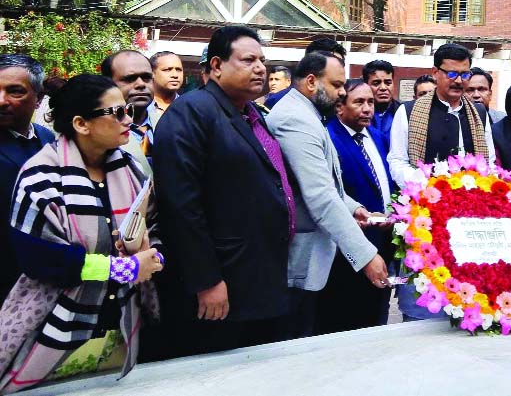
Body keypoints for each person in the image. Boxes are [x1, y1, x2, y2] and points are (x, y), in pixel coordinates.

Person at [0, 74, 163, 393]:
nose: (127, 119)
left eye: (128, 110)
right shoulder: (39, 178)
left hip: (119, 323)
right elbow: (42, 261)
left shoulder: (129, 168)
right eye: (117, 113)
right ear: (81, 123)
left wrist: (153, 255)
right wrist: (124, 268)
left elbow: (152, 223)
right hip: (50, 325)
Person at [153, 26, 294, 357]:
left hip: (258, 274)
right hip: (222, 282)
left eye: (262, 60)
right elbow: (181, 206)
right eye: (248, 60)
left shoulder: (251, 113)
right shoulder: (191, 112)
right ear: (216, 65)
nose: (260, 68)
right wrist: (206, 280)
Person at [267, 51, 389, 339]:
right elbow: (320, 196)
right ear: (311, 82)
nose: (342, 92)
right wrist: (366, 255)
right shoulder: (295, 120)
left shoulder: (308, 115)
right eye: (336, 85)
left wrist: (356, 208)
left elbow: (329, 186)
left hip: (314, 257)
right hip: (299, 260)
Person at [317, 79, 396, 334]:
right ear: (340, 107)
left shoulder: (378, 137)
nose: (367, 109)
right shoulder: (329, 139)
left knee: (377, 318)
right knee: (348, 322)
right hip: (346, 251)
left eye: (370, 102)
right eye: (359, 102)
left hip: (383, 242)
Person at [388, 43, 495, 188]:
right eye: (451, 74)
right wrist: (427, 186)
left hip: (472, 202)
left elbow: (490, 162)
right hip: (425, 201)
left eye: (464, 74)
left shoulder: (479, 113)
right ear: (435, 72)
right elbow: (398, 161)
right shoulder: (408, 111)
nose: (458, 81)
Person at [0, 54, 55, 303]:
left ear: (39, 99)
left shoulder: (50, 141)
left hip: (43, 277)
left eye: (15, 92)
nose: (1, 101)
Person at [101, 50, 157, 167]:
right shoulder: (97, 133)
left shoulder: (169, 124)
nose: (141, 84)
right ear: (107, 83)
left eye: (147, 77)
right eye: (130, 79)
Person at [363, 60, 401, 141]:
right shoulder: (358, 114)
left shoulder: (403, 112)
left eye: (388, 83)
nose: (383, 88)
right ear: (366, 85)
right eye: (376, 83)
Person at [148, 51, 183, 119]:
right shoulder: (141, 106)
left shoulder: (189, 107)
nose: (175, 75)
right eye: (167, 70)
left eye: (178, 70)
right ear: (152, 73)